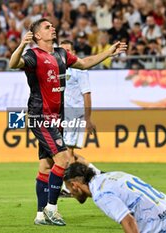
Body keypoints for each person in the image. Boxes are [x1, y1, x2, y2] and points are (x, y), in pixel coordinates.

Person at [9, 18, 127, 226]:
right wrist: (21, 45)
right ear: (37, 35)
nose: (52, 28)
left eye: (52, 26)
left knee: (46, 167)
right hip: (41, 116)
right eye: (47, 27)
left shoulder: (61, 54)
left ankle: (39, 215)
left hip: (57, 118)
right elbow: (13, 63)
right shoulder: (33, 55)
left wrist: (109, 52)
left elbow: (84, 63)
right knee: (63, 160)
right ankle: (52, 210)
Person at [64, 162, 166, 233]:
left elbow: (129, 221)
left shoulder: (100, 194)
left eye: (68, 188)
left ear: (74, 185)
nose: (70, 193)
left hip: (160, 224)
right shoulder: (112, 174)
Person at [59, 40, 101, 196]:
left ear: (73, 53)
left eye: (68, 50)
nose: (64, 54)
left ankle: (68, 187)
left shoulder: (80, 70)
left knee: (66, 151)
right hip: (63, 115)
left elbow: (87, 94)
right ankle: (96, 172)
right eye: (61, 51)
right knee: (64, 151)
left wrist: (88, 119)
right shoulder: (58, 70)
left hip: (74, 114)